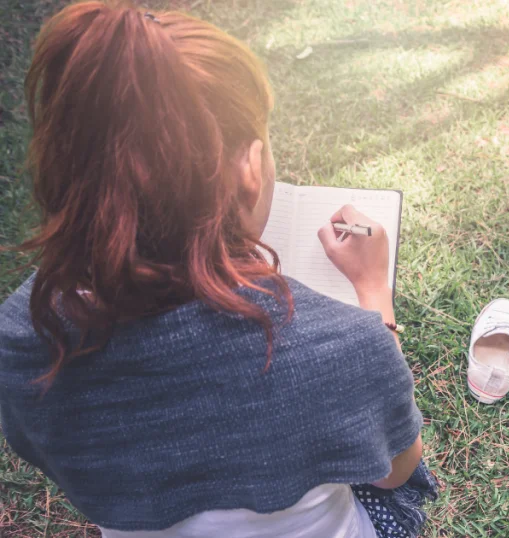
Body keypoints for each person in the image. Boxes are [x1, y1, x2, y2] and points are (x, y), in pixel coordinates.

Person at [0, 2, 434, 537]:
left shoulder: (22, 338)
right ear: (250, 170)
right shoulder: (344, 347)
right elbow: (396, 470)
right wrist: (373, 291)